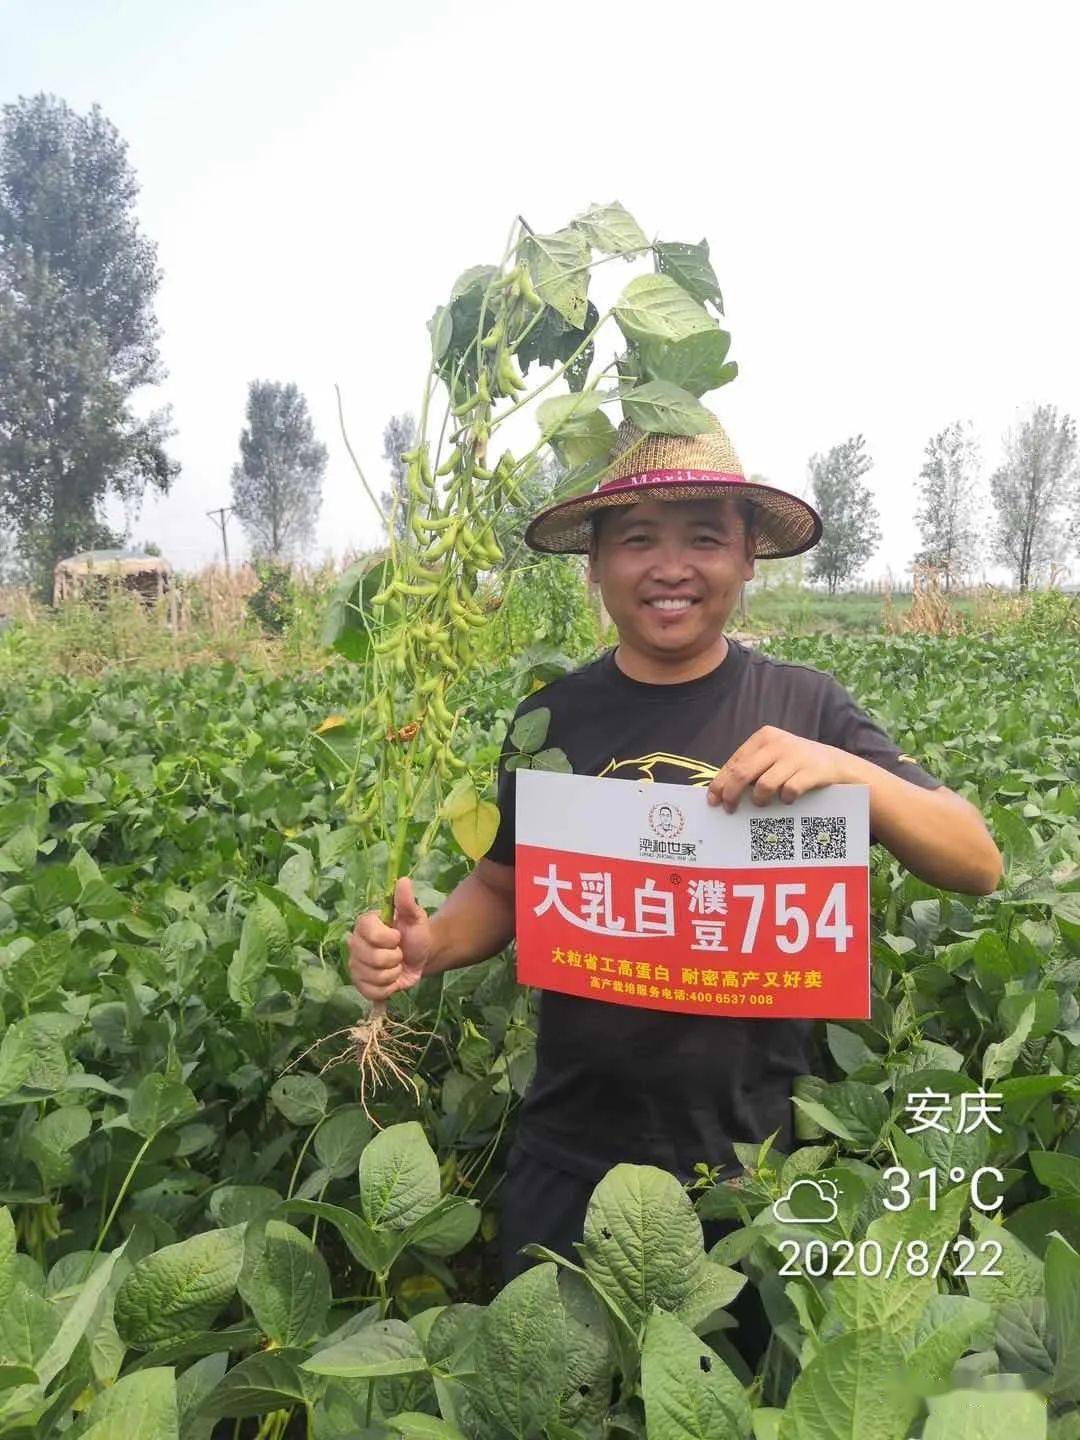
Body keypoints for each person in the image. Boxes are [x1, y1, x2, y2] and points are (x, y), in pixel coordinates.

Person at [348, 416, 1002, 1365]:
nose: (671, 566)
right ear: (595, 567)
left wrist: (847, 775)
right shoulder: (553, 719)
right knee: (548, 1407)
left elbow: (976, 861)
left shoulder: (804, 707)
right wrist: (428, 944)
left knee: (722, 1407)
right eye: (639, 539)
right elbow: (503, 886)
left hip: (750, 1170)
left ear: (746, 560)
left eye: (703, 536)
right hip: (568, 1153)